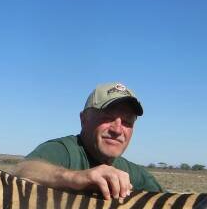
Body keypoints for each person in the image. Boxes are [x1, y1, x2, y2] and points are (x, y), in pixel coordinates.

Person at [14, 82, 162, 201]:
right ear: (83, 119)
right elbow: (21, 170)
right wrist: (76, 177)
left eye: (127, 122)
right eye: (107, 117)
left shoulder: (135, 174)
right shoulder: (64, 151)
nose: (117, 130)